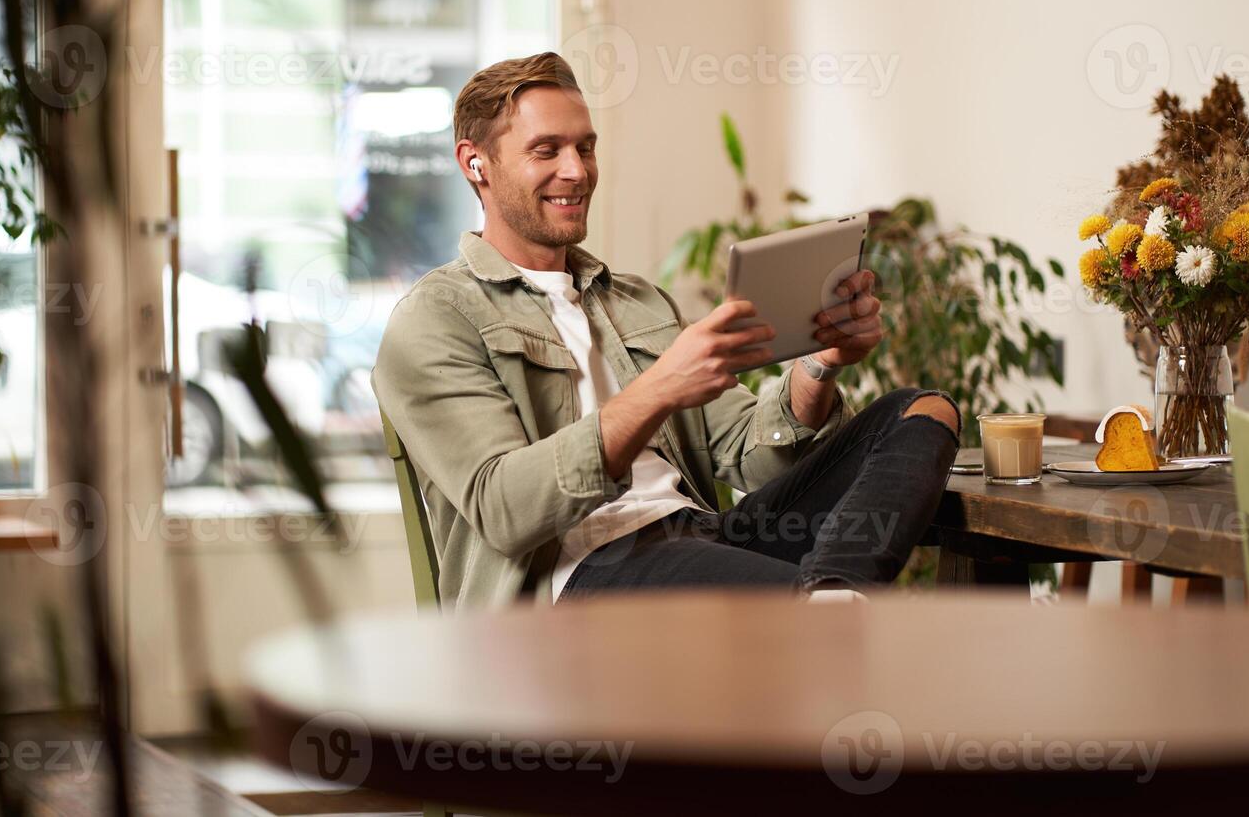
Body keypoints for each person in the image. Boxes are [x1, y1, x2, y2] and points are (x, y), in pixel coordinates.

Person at [371, 52, 961, 609]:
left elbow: (754, 459)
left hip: (700, 536)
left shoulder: (636, 302)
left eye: (585, 147)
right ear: (475, 163)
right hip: (580, 574)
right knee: (809, 614)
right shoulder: (438, 316)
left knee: (923, 413)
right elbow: (504, 510)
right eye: (546, 150)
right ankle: (825, 610)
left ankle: (834, 596)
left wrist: (820, 363)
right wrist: (658, 389)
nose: (575, 171)